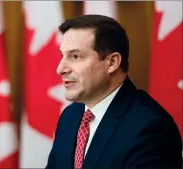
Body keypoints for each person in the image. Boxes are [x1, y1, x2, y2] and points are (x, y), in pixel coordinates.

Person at [45, 14, 182, 169]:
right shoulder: (70, 116)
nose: (60, 69)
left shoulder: (151, 128)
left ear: (112, 62)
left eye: (75, 56)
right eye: (62, 56)